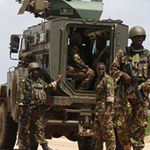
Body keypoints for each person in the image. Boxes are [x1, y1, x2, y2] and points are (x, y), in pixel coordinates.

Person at [110, 26, 150, 150]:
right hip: (124, 95)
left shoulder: (147, 55)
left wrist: (143, 85)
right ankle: (126, 146)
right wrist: (122, 75)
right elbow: (113, 69)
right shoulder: (123, 53)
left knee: (140, 124)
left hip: (140, 96)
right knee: (121, 125)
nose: (139, 40)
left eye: (141, 37)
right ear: (131, 38)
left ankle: (137, 146)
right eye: (136, 37)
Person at [16, 62, 62, 150]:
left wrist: (57, 81)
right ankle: (25, 146)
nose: (36, 72)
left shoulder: (40, 82)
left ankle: (45, 146)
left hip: (38, 110)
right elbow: (20, 94)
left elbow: (48, 87)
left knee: (39, 128)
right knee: (25, 129)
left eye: (37, 70)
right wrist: (20, 107)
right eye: (34, 71)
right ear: (30, 72)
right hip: (28, 109)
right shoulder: (25, 82)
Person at [94, 62, 116, 150]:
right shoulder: (98, 79)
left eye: (103, 69)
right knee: (98, 135)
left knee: (109, 134)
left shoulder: (108, 79)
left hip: (105, 110)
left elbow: (110, 97)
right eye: (99, 69)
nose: (101, 71)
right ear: (96, 70)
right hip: (98, 110)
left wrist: (107, 111)